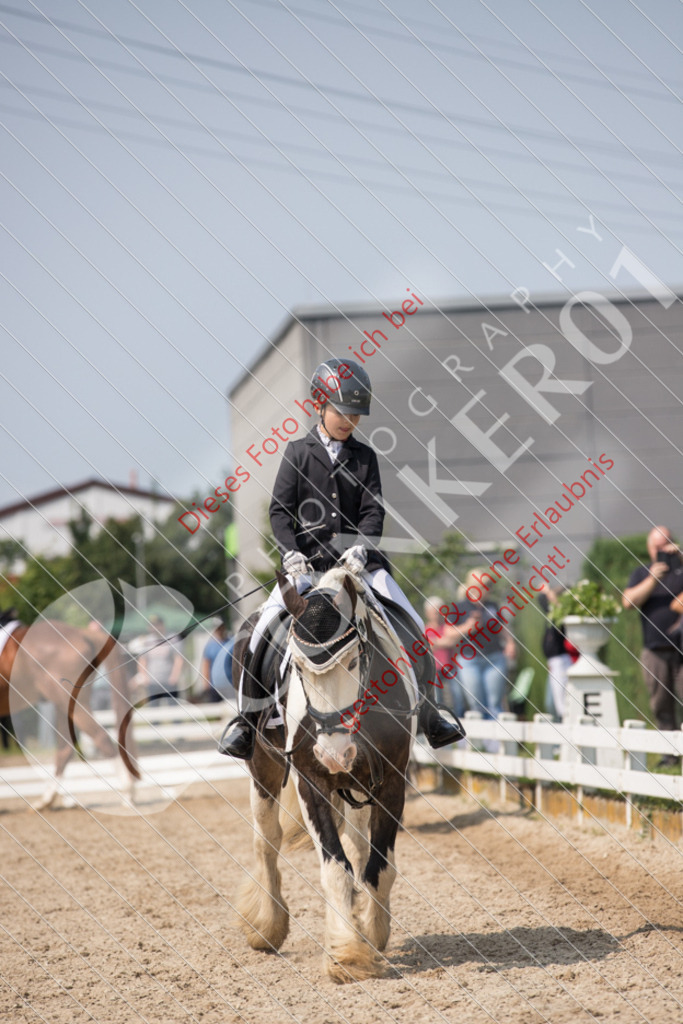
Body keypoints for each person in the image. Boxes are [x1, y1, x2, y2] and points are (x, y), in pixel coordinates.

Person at [219, 357, 464, 759]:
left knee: (412, 621)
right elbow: (280, 511)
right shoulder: (298, 452)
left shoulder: (364, 457)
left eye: (356, 414)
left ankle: (431, 713)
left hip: (358, 567)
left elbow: (373, 511)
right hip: (306, 569)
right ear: (321, 404)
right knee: (262, 628)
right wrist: (291, 551)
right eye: (342, 411)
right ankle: (247, 722)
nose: (349, 420)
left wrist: (362, 547)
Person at [622, 526, 683, 766]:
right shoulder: (641, 573)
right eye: (656, 545)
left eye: (665, 544)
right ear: (649, 547)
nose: (660, 550)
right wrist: (653, 579)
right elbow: (628, 602)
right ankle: (670, 755)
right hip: (655, 649)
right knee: (661, 704)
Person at [451, 570, 517, 731]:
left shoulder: (492, 606)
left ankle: (496, 743)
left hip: (494, 657)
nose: (490, 589)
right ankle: (480, 742)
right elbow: (448, 632)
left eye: (490, 585)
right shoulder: (459, 607)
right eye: (486, 585)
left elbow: (502, 628)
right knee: (476, 703)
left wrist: (510, 643)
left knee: (495, 703)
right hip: (469, 660)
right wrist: (468, 627)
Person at [537, 582, 578, 720]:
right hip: (554, 663)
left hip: (562, 661)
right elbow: (541, 599)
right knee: (552, 703)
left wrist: (549, 592)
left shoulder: (564, 614)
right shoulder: (553, 612)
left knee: (561, 704)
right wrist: (547, 591)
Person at [423, 596, 465, 718]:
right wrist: (443, 641)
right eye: (434, 612)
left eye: (439, 611)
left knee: (457, 695)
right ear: (428, 613)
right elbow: (427, 646)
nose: (437, 614)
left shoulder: (448, 626)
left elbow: (453, 641)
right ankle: (439, 719)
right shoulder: (425, 628)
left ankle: (459, 718)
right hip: (434, 668)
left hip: (451, 666)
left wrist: (435, 642)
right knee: (437, 698)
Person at [136, 615, 184, 705]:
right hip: (152, 682)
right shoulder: (146, 641)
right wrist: (144, 677)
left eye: (156, 625)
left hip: (169, 681)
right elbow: (142, 660)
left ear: (162, 625)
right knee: (153, 711)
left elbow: (178, 659)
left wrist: (174, 676)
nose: (154, 627)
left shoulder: (172, 638)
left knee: (174, 709)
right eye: (152, 625)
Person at [198, 622, 235, 702]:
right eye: (217, 628)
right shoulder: (210, 646)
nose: (219, 630)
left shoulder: (231, 644)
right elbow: (206, 665)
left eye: (221, 628)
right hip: (214, 687)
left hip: (230, 685)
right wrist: (205, 684)